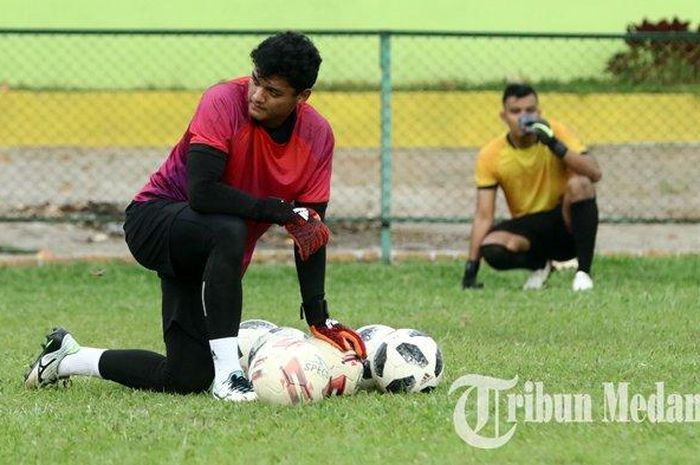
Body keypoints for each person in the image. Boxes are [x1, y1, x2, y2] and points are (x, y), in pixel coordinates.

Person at [24, 31, 366, 402]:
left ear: (302, 98)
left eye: (273, 91)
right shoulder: (221, 100)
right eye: (255, 80)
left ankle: (68, 357)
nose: (256, 95)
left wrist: (318, 316)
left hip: (208, 245)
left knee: (186, 376)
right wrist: (275, 209)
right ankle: (228, 375)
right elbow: (202, 193)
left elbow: (309, 233)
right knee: (228, 229)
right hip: (155, 222)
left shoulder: (317, 136)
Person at [461, 83, 602, 292]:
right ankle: (540, 264)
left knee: (580, 184)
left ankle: (583, 273)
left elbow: (594, 173)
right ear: (504, 116)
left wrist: (555, 145)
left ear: (539, 112)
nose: (523, 117)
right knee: (492, 247)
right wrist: (471, 269)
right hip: (529, 228)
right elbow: (483, 215)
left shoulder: (556, 132)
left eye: (530, 110)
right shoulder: (491, 154)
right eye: (516, 111)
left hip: (564, 222)